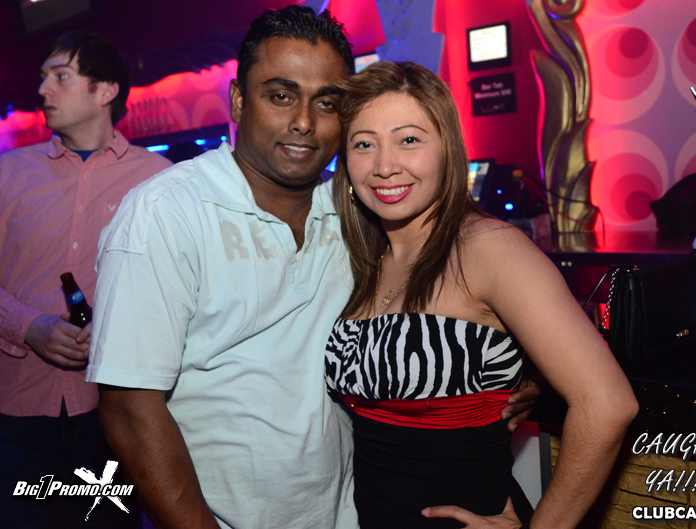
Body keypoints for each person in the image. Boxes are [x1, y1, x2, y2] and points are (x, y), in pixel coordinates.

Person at [86, 7, 536, 529]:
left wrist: (528, 369)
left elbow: (460, 300)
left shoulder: (355, 213)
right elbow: (128, 410)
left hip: (352, 515)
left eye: (326, 103)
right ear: (238, 99)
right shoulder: (167, 213)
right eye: (280, 96)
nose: (303, 121)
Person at [325, 61, 639, 529]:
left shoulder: (488, 248)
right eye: (364, 144)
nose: (384, 166)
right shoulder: (365, 257)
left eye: (408, 140)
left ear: (447, 150)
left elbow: (608, 403)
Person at [0, 31, 173, 528]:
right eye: (43, 77)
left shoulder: (160, 181)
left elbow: (179, 291)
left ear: (105, 90)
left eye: (61, 77)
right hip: (16, 410)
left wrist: (123, 329)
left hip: (115, 412)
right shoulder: (9, 173)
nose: (43, 90)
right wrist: (27, 326)